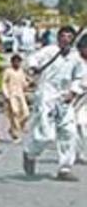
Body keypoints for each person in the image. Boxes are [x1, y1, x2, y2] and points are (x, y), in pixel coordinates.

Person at [23, 26, 86, 180]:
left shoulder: (75, 57)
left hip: (64, 98)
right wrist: (32, 68)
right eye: (63, 36)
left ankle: (64, 169)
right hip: (46, 96)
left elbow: (80, 77)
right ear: (58, 38)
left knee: (69, 132)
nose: (66, 39)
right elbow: (33, 60)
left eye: (69, 36)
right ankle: (30, 153)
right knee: (46, 135)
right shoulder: (49, 51)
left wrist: (73, 91)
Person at [1, 53, 30, 142]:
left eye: (19, 61)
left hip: (20, 95)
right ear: (12, 62)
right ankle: (15, 134)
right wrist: (6, 95)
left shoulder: (21, 71)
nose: (17, 63)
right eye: (15, 61)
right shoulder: (8, 71)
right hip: (12, 95)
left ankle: (15, 128)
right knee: (15, 113)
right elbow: (4, 83)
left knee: (26, 114)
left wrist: (29, 84)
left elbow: (24, 83)